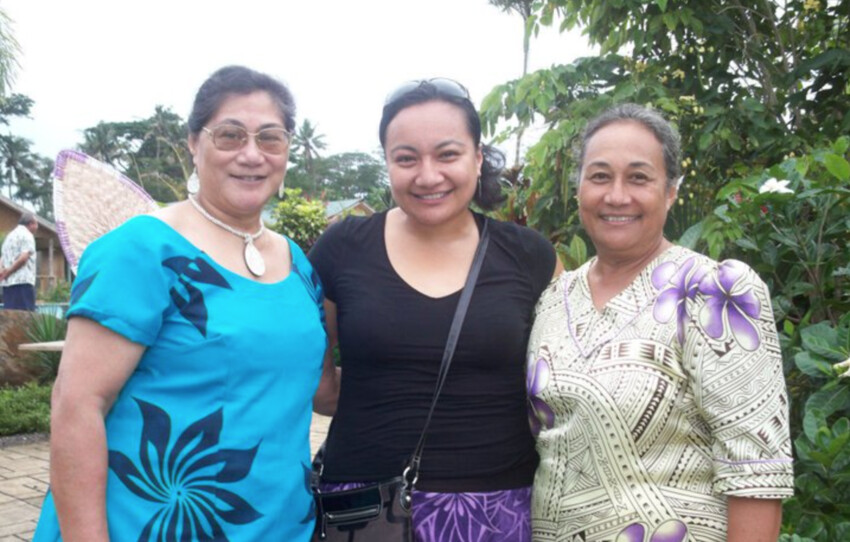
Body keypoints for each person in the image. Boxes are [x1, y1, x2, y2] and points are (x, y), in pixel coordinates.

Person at [33, 65, 328, 541]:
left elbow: (316, 391)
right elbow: (76, 405)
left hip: (280, 525)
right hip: (149, 525)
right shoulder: (142, 250)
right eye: (230, 135)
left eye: (270, 138)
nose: (251, 154)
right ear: (194, 142)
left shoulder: (299, 265)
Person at [527, 103, 794, 542]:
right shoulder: (554, 299)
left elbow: (756, 472)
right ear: (578, 189)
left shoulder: (714, 290)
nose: (616, 196)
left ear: (670, 191)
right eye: (599, 176)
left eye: (638, 177)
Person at [309, 78, 561, 542]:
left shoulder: (530, 255)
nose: (428, 176)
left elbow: (562, 385)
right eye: (406, 158)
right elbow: (320, 389)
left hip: (497, 510)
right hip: (363, 510)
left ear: (478, 158)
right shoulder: (341, 248)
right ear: (387, 162)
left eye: (447, 154)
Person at [0, 212, 38, 310]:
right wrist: (9, 271)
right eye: (36, 224)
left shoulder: (9, 237)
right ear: (31, 224)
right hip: (23, 283)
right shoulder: (27, 235)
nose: (37, 227)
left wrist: (3, 272)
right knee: (26, 319)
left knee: (10, 319)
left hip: (8, 285)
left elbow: (2, 258)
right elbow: (23, 258)